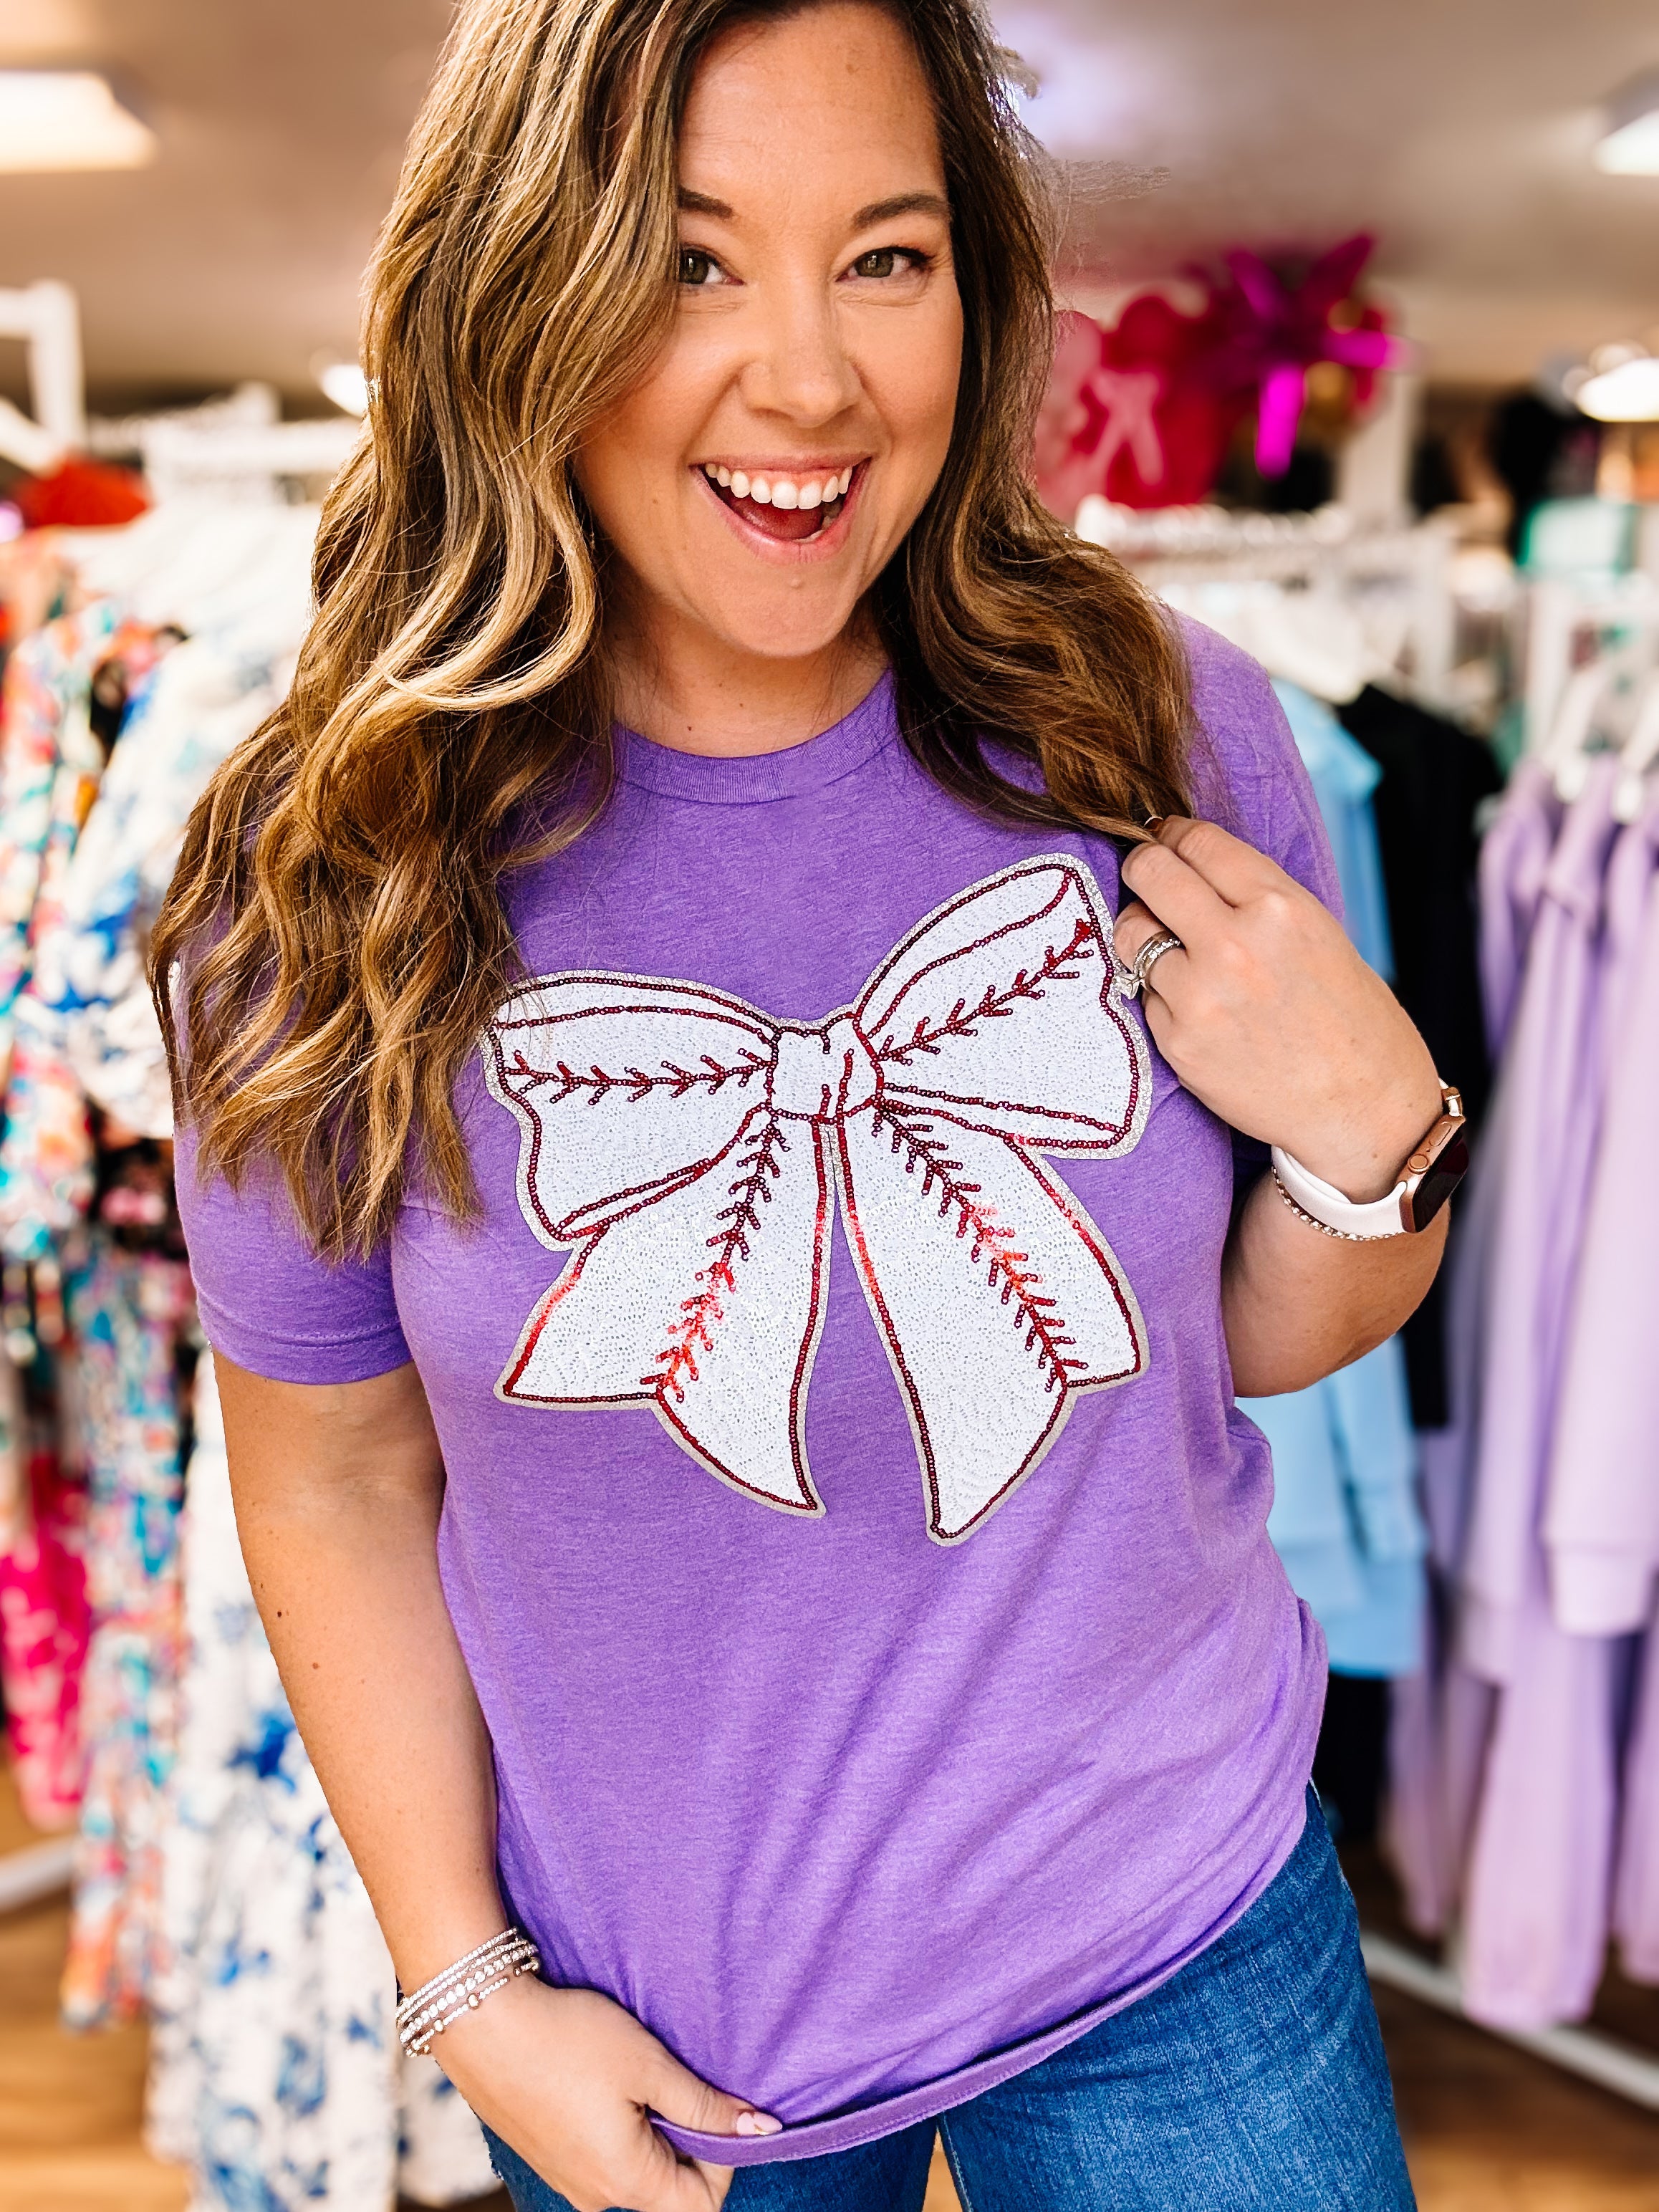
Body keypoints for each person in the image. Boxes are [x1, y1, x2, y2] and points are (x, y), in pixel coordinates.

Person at [153, 0, 1451, 2205]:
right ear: (512, 295)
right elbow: (334, 1480)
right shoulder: (326, 879)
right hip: (671, 2025)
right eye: (688, 260)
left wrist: (1384, 1137)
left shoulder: (1153, 725)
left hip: (1180, 1934)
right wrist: (462, 1987)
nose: (813, 378)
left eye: (885, 257)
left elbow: (1237, 1335)